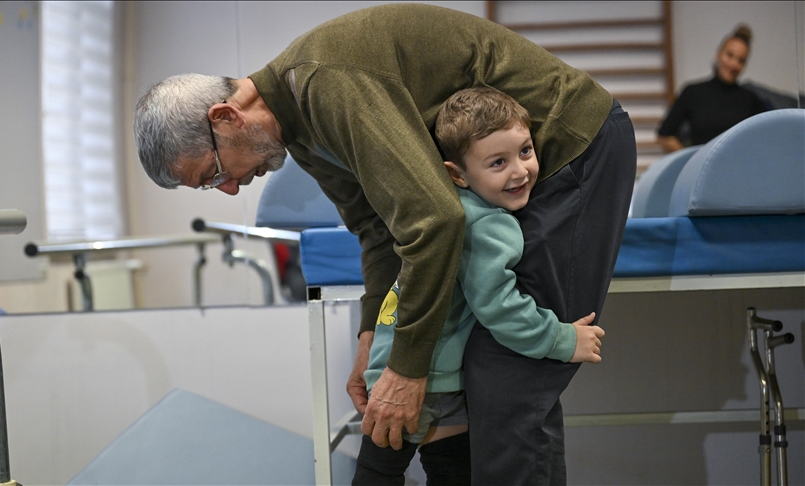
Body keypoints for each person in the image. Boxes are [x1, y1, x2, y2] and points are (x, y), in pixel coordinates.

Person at [133, 4, 636, 483]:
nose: (228, 189)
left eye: (212, 173)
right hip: (509, 177)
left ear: (226, 117)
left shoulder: (327, 85)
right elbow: (377, 229)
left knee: (509, 367)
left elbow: (434, 221)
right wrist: (372, 336)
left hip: (570, 146)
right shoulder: (302, 132)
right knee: (487, 367)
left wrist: (407, 369)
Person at [354, 87, 605, 485]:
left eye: (525, 151)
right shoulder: (487, 225)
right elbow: (499, 306)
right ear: (458, 174)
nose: (519, 171)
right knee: (431, 474)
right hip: (432, 382)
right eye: (498, 163)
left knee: (381, 472)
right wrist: (562, 339)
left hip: (398, 368)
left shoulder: (445, 205)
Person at [657, 24, 766, 152]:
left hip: (738, 163)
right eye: (729, 55)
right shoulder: (693, 93)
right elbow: (664, 135)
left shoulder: (751, 100)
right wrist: (690, 159)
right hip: (701, 163)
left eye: (740, 61)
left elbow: (767, 136)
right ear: (718, 53)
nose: (733, 64)